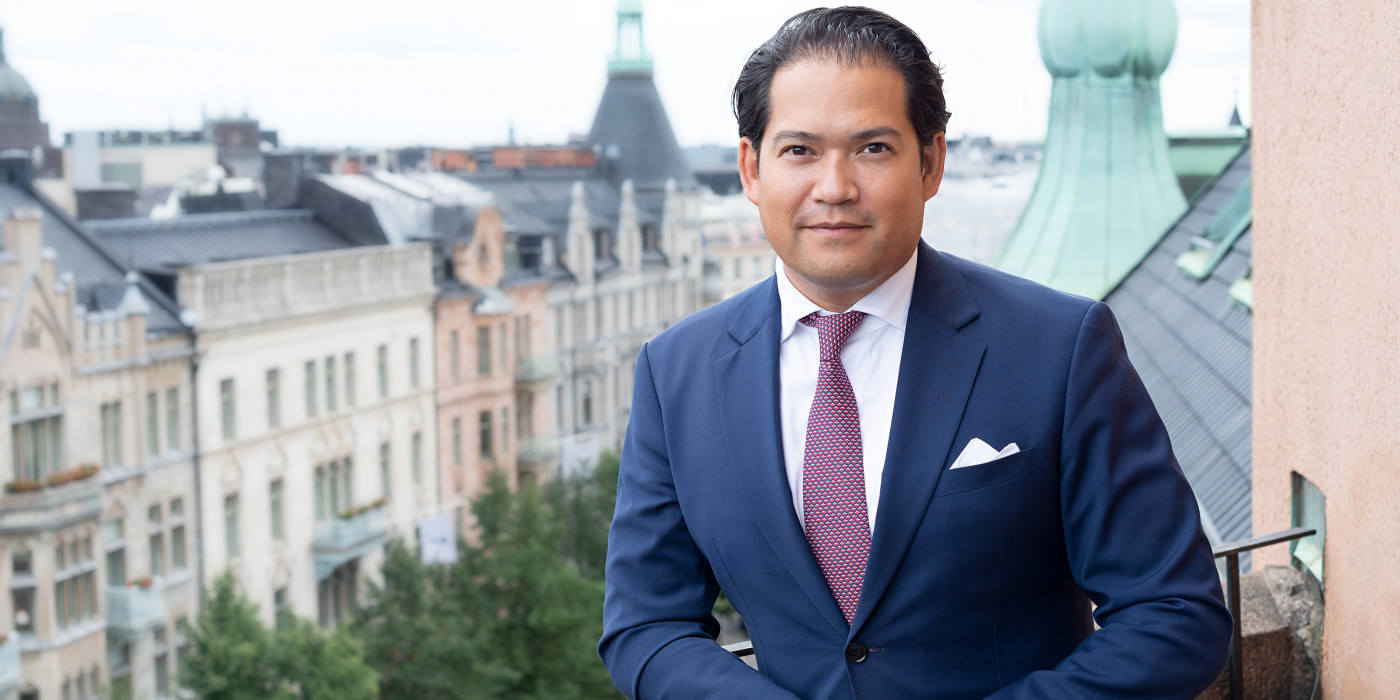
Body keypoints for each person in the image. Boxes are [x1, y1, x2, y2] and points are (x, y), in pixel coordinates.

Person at [598, 6, 1231, 699]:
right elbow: (646, 626)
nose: (834, 188)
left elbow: (1177, 614)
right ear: (751, 169)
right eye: (800, 150)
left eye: (872, 148)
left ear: (930, 163)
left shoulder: (1060, 346)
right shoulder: (676, 373)